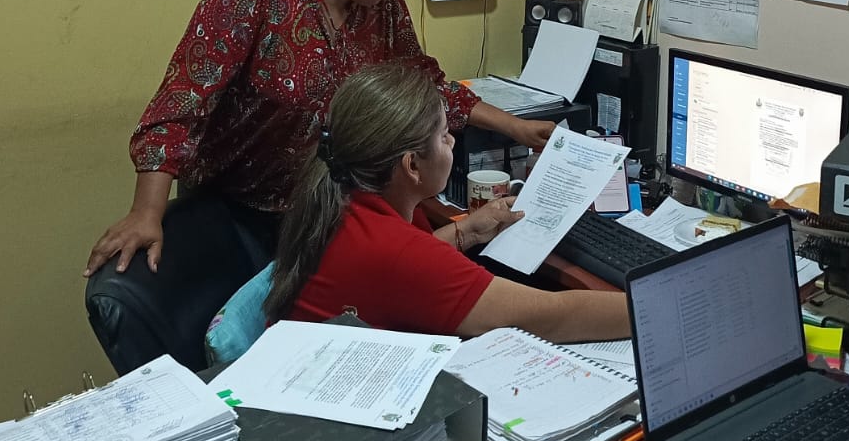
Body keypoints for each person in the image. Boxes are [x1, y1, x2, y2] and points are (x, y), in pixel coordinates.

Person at [85, 0, 556, 279]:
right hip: (234, 218)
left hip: (325, 215)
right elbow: (183, 103)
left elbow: (421, 84)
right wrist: (146, 212)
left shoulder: (380, 4)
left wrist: (518, 128)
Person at [265, 62, 630, 341]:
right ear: (412, 166)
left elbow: (395, 272)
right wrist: (651, 304)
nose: (453, 142)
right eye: (443, 136)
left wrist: (467, 231)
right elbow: (549, 315)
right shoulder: (394, 251)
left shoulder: (341, 194)